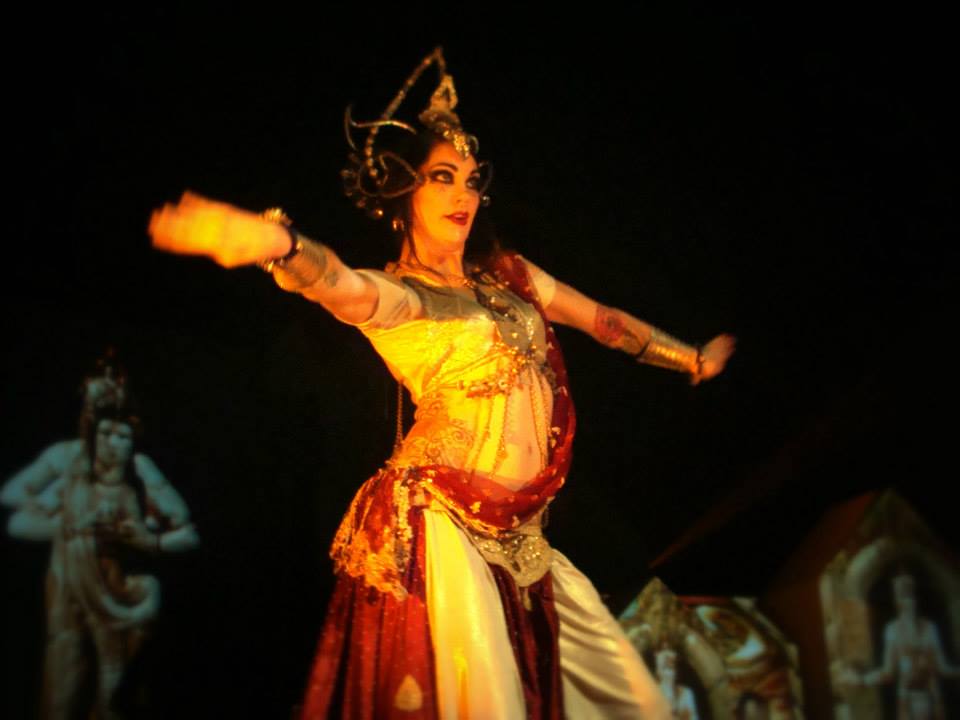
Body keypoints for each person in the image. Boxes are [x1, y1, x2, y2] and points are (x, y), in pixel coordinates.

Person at [149, 47, 734, 719]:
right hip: (443, 523)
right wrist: (283, 247)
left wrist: (689, 359)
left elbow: (603, 323)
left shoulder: (512, 278)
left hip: (528, 536)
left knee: (628, 699)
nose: (464, 196)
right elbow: (340, 285)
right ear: (404, 194)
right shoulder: (404, 297)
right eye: (442, 178)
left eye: (471, 181)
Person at [3, 362, 199, 719]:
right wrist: (66, 519)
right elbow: (13, 502)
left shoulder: (138, 467)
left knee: (114, 689)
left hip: (113, 583)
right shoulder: (68, 459)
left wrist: (148, 540)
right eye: (104, 430)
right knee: (62, 686)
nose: (111, 442)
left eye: (120, 435)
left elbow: (185, 531)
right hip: (67, 581)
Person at [849, 572, 960, 720]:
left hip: (932, 696)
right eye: (901, 593)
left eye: (909, 591)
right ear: (896, 599)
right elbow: (888, 672)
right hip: (907, 697)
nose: (907, 598)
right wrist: (863, 680)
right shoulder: (892, 630)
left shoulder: (929, 627)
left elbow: (942, 667)